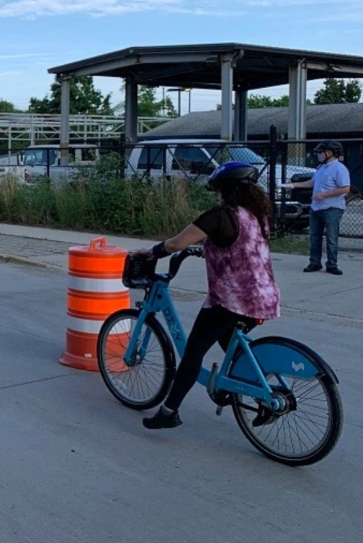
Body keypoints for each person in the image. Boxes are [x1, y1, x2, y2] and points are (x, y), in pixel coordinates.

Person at [137, 161, 281, 430]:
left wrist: (152, 251)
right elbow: (242, 248)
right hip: (264, 297)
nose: (216, 195)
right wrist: (209, 251)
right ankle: (255, 393)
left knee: (194, 351)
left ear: (226, 190)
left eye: (218, 190)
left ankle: (169, 411)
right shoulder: (257, 216)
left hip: (230, 300)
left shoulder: (220, 216)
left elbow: (176, 243)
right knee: (233, 346)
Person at [282, 140, 350, 276]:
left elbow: (345, 188)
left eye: (321, 152)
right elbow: (313, 182)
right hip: (316, 208)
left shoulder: (339, 169)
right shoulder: (321, 168)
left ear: (329, 153)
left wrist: (324, 195)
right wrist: (295, 185)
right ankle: (315, 262)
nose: (318, 155)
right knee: (314, 236)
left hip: (332, 208)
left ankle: (332, 264)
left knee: (331, 237)